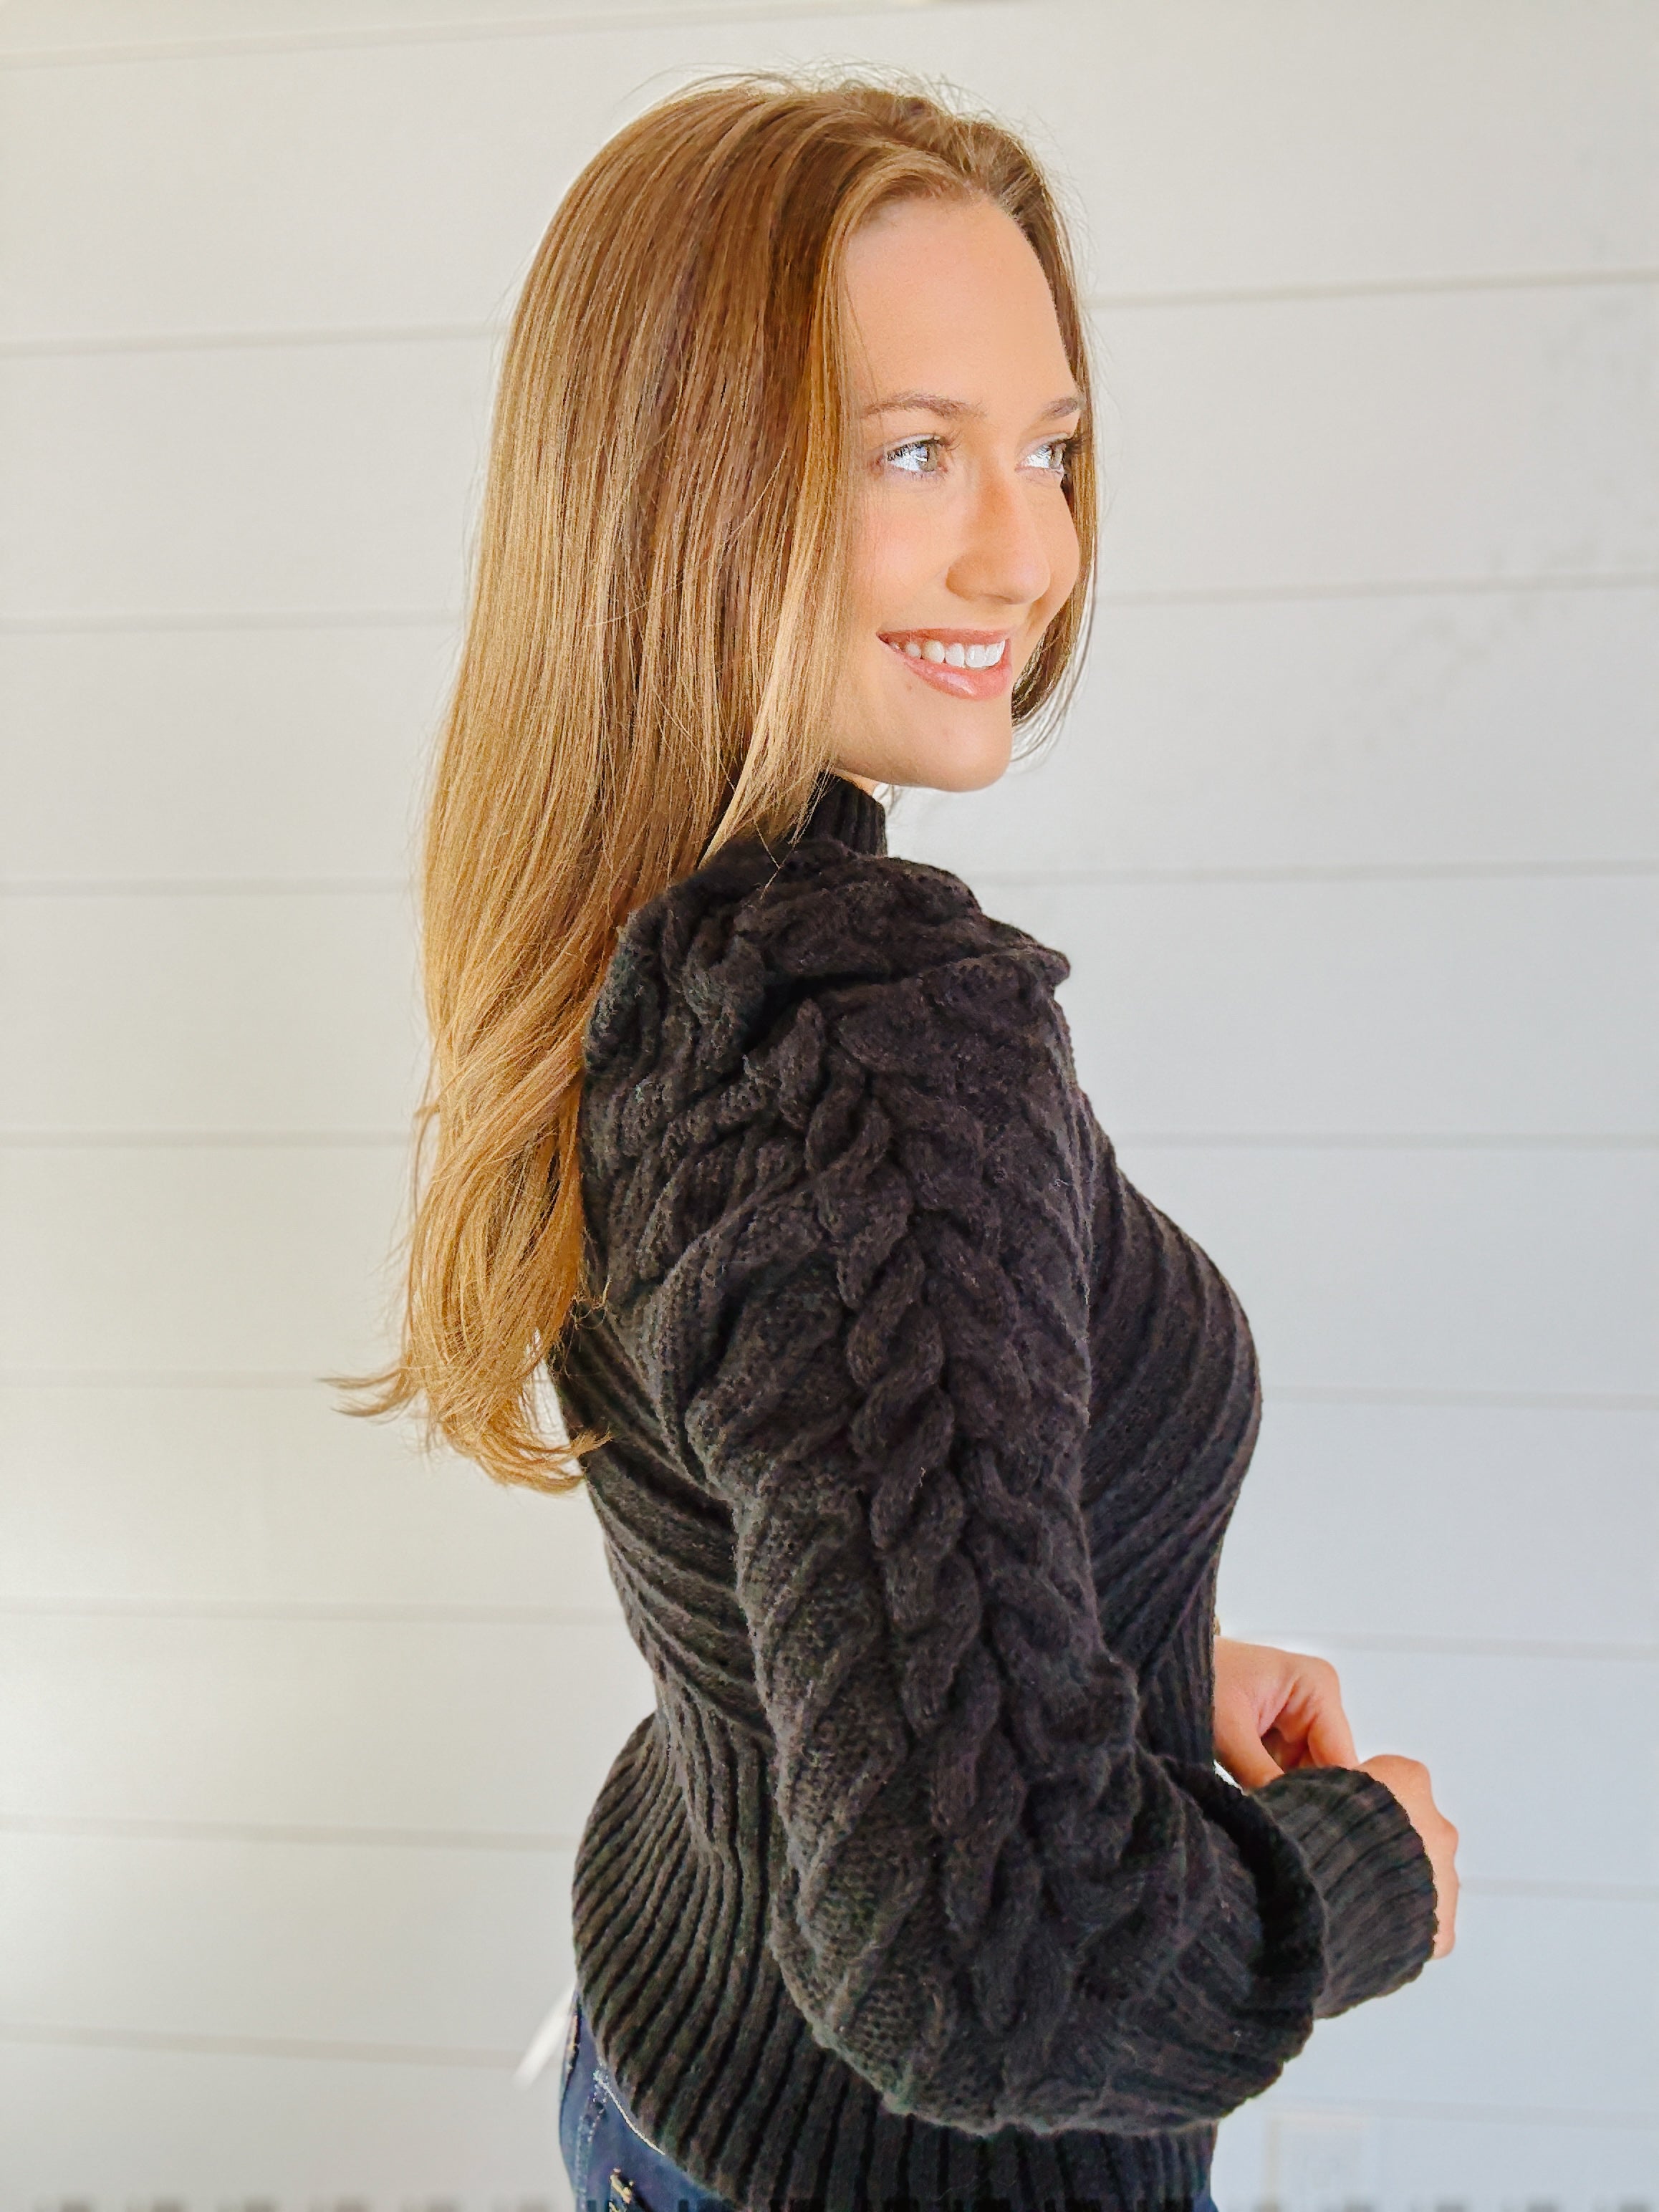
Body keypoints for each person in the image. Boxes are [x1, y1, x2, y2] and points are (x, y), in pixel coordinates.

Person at [345, 72, 1459, 2212]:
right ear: (679, 497)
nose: (1028, 552)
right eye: (915, 451)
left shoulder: (655, 930)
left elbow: (800, 1514)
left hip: (684, 2055)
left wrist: (1112, 1662)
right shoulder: (861, 1044)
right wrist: (1355, 1877)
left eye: (1051, 448)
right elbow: (1002, 1978)